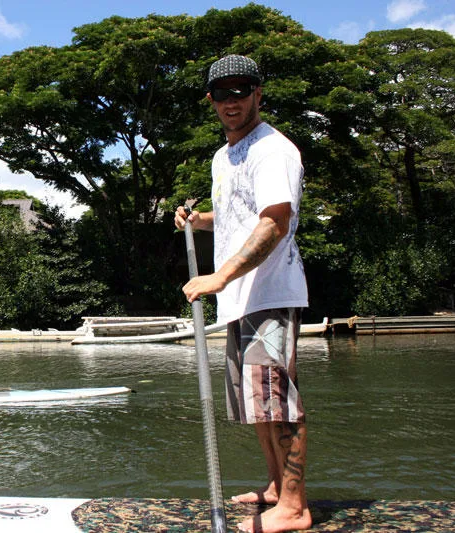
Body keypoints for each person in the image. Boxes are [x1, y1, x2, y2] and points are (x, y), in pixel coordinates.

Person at [174, 54, 312, 533]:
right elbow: (238, 215)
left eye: (240, 90)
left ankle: (295, 506)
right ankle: (276, 489)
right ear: (210, 100)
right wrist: (199, 221)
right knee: (258, 407)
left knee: (278, 401)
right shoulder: (224, 156)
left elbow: (275, 223)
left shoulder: (272, 151)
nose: (230, 101)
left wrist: (220, 277)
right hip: (239, 297)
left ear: (258, 93)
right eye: (221, 93)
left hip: (268, 291)